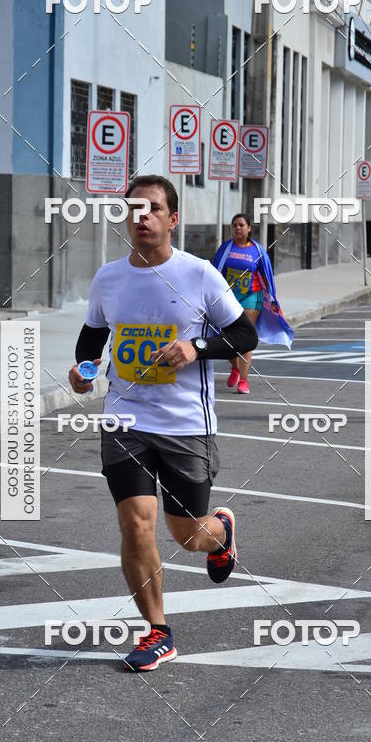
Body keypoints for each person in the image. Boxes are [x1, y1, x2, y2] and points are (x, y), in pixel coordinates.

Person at [68, 175, 258, 672]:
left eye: (152, 209)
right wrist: (84, 371)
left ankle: (222, 531)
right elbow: (92, 337)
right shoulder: (108, 278)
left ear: (173, 220)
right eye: (134, 208)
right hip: (124, 420)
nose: (142, 217)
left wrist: (196, 347)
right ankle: (157, 632)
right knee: (135, 525)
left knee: (188, 534)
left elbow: (244, 334)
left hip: (186, 424)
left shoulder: (198, 275)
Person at [213, 214, 293, 394]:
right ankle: (235, 367)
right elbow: (215, 272)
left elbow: (266, 274)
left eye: (241, 225)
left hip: (251, 297)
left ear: (249, 228)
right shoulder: (226, 248)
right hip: (229, 297)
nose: (238, 228)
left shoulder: (257, 250)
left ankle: (243, 380)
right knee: (224, 336)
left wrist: (272, 298)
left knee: (245, 336)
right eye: (235, 225)